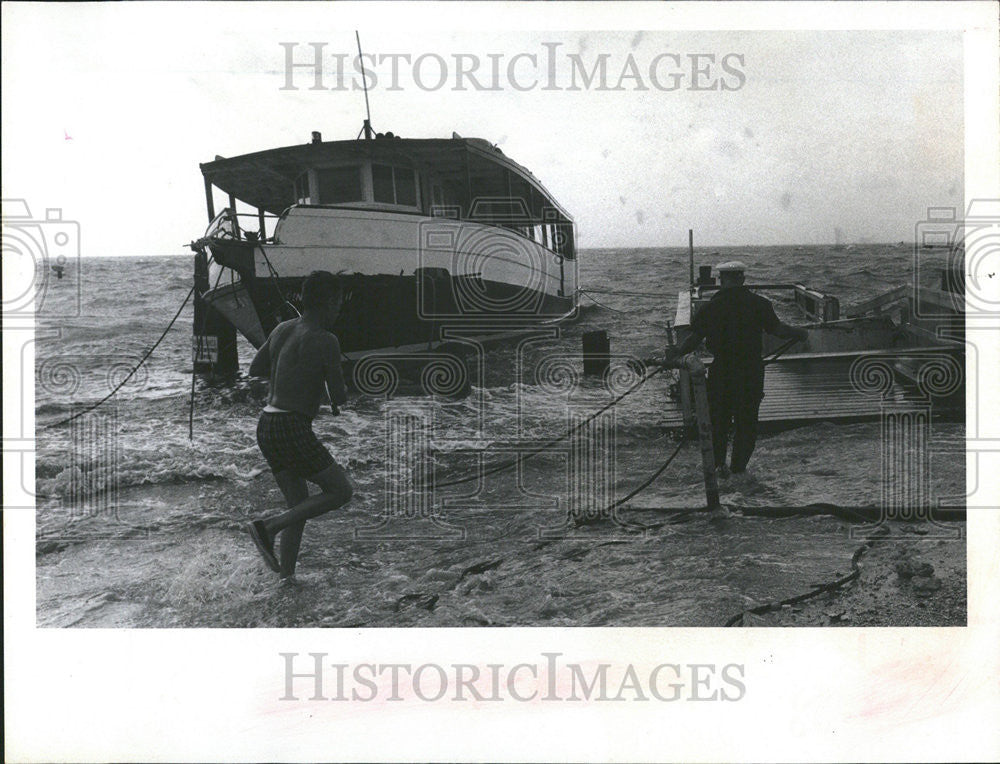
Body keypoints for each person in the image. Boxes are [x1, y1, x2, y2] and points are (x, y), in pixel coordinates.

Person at [246, 270, 353, 582]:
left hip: (267, 424)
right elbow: (340, 396)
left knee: (299, 506)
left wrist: (287, 381)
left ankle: (286, 578)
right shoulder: (326, 339)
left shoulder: (282, 329)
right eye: (338, 304)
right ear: (330, 302)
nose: (339, 311)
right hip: (292, 426)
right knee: (341, 491)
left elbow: (256, 368)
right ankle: (268, 527)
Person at [665, 261, 807, 475]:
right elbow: (778, 329)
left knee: (719, 421)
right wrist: (799, 332)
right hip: (750, 369)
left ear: (722, 280)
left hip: (722, 369)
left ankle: (719, 466)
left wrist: (676, 354)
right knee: (747, 422)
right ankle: (739, 470)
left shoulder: (711, 306)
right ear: (742, 279)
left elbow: (693, 339)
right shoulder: (760, 304)